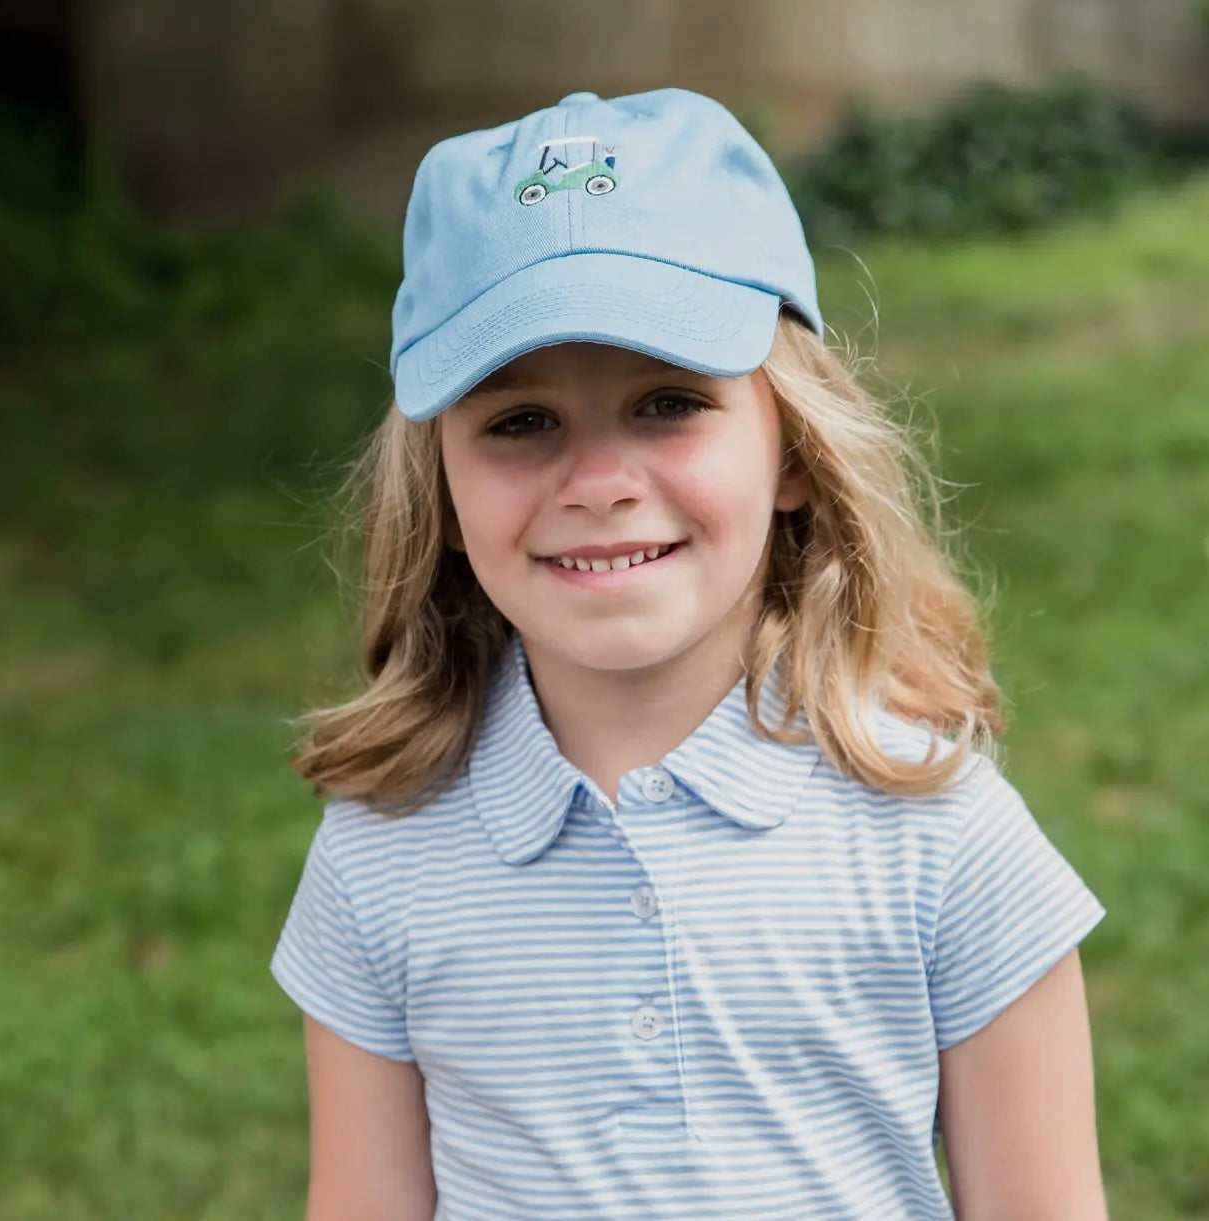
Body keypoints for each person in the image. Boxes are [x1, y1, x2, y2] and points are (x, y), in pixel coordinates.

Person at [270, 88, 1108, 1220]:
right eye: (520, 422)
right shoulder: (383, 852)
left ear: (795, 454)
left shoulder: (940, 832)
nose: (601, 481)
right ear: (443, 495)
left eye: (668, 403)